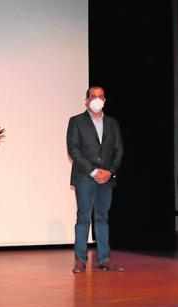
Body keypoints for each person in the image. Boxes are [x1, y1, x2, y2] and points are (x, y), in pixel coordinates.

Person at [66, 86, 124, 273]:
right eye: (93, 96)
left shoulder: (112, 123)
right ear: (87, 100)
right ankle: (80, 260)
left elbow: (119, 150)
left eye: (100, 97)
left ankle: (105, 259)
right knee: (83, 217)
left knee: (102, 218)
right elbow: (73, 149)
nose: (97, 100)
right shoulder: (76, 121)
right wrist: (93, 172)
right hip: (85, 177)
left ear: (105, 100)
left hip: (106, 179)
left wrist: (110, 172)